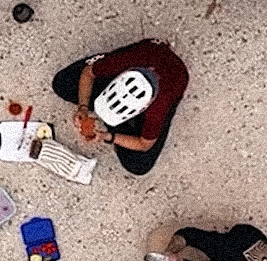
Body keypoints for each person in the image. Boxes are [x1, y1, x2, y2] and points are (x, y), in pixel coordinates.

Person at [52, 39, 189, 174]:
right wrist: (83, 107)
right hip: (147, 55)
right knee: (63, 83)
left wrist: (107, 136)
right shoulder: (122, 61)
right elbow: (88, 73)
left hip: (170, 85)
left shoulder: (157, 109)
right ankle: (111, 114)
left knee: (139, 164)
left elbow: (144, 144)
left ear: (143, 108)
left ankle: (117, 123)